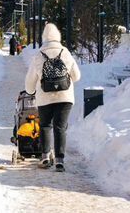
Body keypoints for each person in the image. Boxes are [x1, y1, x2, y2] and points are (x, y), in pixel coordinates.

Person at [23, 22, 81, 171]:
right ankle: (60, 160)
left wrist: (30, 91)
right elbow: (77, 76)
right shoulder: (65, 52)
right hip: (65, 97)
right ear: (58, 37)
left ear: (44, 38)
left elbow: (30, 82)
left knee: (45, 126)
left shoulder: (38, 55)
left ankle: (45, 156)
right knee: (60, 128)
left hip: (45, 97)